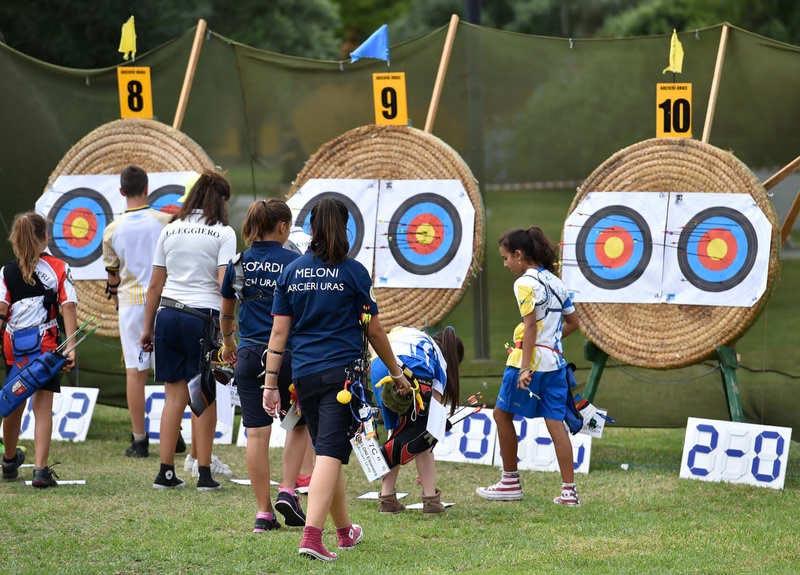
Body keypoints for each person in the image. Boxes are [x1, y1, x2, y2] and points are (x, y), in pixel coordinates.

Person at [263, 198, 411, 562]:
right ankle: (312, 537)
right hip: (341, 379)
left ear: (312, 228)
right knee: (330, 454)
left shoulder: (292, 271)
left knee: (330, 449)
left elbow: (279, 333)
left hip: (304, 376)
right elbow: (374, 330)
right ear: (345, 228)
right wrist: (395, 372)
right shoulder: (354, 272)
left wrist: (269, 384)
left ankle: (345, 531)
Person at [140, 171, 236, 491]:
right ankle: (204, 473)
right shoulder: (223, 233)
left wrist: (146, 327)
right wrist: (228, 331)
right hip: (202, 317)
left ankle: (165, 472)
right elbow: (225, 285)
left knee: (173, 397)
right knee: (203, 397)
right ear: (220, 200)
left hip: (167, 314)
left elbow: (155, 284)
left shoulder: (170, 229)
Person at [220, 198, 310, 532]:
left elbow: (227, 311)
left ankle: (263, 512)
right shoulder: (295, 262)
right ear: (283, 227)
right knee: (298, 423)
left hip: (247, 354)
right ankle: (288, 489)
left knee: (256, 434)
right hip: (287, 355)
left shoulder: (238, 261)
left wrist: (228, 342)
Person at [476, 226, 581, 505]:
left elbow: (530, 325)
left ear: (519, 255)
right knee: (555, 423)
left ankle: (510, 482)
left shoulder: (524, 283)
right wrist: (550, 343)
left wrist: (525, 367)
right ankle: (569, 491)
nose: (506, 263)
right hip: (555, 363)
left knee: (501, 414)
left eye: (506, 258)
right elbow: (573, 323)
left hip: (530, 361)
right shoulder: (557, 283)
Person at [102, 165, 176, 458]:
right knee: (173, 372)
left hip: (132, 305)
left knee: (136, 372)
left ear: (122, 192)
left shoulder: (111, 230)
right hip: (167, 300)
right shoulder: (166, 221)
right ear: (147, 189)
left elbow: (113, 276)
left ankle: (139, 439)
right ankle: (175, 434)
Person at [0, 212, 77, 488]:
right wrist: (70, 347)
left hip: (15, 349)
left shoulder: (6, 272)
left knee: (14, 402)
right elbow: (68, 306)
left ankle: (9, 461)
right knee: (43, 407)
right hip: (45, 346)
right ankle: (41, 471)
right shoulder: (58, 267)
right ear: (45, 237)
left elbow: (1, 312)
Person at [370, 325, 463, 514]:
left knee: (394, 432)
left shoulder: (412, 333)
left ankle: (387, 498)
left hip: (379, 366)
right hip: (414, 371)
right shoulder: (439, 361)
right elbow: (433, 417)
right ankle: (431, 500)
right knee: (423, 433)